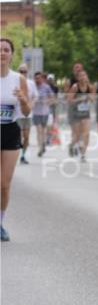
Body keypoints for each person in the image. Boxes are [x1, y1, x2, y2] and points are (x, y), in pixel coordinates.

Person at [1, 39, 32, 240]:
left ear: (12, 54)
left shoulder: (18, 79)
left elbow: (27, 112)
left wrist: (22, 99)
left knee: (4, 183)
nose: (2, 53)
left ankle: (0, 222)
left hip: (10, 130)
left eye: (6, 50)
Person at [66, 68, 93, 161]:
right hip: (75, 113)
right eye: (80, 76)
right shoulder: (75, 87)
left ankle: (83, 154)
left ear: (87, 77)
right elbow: (69, 100)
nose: (83, 78)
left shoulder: (90, 86)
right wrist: (80, 99)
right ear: (78, 78)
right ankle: (71, 145)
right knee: (77, 135)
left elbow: (93, 98)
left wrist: (90, 98)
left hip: (86, 113)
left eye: (84, 75)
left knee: (86, 134)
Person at [17, 63, 38, 164]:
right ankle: (14, 154)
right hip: (16, 114)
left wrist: (32, 104)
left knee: (26, 137)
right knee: (18, 135)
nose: (23, 73)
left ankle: (23, 156)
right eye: (21, 72)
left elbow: (35, 96)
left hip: (28, 114)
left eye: (24, 72)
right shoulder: (15, 82)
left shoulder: (31, 83)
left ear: (27, 72)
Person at [32, 72, 55, 156]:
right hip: (35, 112)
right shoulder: (32, 87)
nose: (37, 79)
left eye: (39, 78)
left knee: (43, 130)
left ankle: (43, 144)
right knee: (38, 130)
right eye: (36, 78)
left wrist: (47, 101)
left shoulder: (46, 87)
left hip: (45, 112)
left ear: (42, 78)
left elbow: (53, 98)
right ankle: (40, 148)